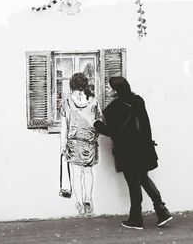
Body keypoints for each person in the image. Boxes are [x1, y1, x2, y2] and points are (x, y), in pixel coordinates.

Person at [94, 76, 172, 229]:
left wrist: (98, 125)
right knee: (143, 178)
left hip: (127, 151)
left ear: (116, 90)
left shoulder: (114, 108)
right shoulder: (138, 100)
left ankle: (136, 219)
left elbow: (110, 131)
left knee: (133, 183)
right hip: (142, 148)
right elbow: (146, 125)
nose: (108, 90)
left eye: (110, 88)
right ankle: (162, 210)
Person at [60, 73, 102, 216]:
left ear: (71, 85)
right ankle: (88, 199)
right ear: (85, 85)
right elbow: (99, 123)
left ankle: (79, 203)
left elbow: (63, 126)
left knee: (76, 175)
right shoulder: (94, 101)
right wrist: (94, 136)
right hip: (89, 142)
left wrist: (62, 144)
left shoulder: (67, 102)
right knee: (88, 172)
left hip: (74, 142)